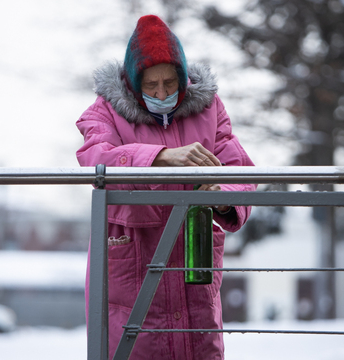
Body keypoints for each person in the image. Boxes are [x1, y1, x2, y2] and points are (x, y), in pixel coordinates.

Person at [76, 15, 256, 359]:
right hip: (133, 254)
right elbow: (95, 157)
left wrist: (223, 199)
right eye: (151, 85)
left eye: (170, 83)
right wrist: (161, 157)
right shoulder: (104, 112)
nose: (162, 93)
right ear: (132, 82)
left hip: (193, 252)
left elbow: (240, 170)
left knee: (197, 344)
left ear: (183, 78)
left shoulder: (209, 107)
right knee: (136, 343)